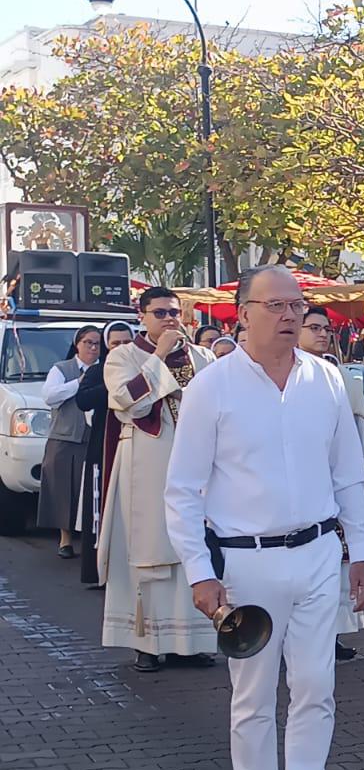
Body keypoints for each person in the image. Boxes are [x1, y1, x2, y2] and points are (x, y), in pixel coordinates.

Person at [165, 266, 364, 770]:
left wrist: (360, 553)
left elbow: (348, 475)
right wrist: (199, 571)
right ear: (243, 312)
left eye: (296, 304)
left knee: (316, 687)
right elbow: (182, 489)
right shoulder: (213, 387)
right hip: (246, 563)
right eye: (275, 305)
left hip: (316, 556)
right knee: (252, 695)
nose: (289, 315)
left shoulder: (327, 381)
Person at [100, 287, 217, 672]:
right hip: (147, 461)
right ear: (142, 316)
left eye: (175, 312)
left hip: (196, 463)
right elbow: (130, 402)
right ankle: (147, 642)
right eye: (161, 312)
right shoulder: (122, 356)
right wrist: (160, 354)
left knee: (194, 547)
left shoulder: (202, 356)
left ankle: (194, 640)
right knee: (149, 549)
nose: (170, 318)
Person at [301, 306, 364, 663]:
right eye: (313, 327)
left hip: (336, 486)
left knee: (339, 564)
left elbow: (355, 429)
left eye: (325, 328)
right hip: (304, 491)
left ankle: (331, 635)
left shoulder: (335, 373)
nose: (322, 334)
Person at [75, 322, 134, 587]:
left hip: (137, 447)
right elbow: (83, 400)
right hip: (104, 448)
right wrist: (113, 386)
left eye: (126, 343)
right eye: (115, 344)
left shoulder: (142, 369)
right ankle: (100, 570)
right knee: (103, 509)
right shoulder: (99, 371)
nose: (121, 348)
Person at [40, 324, 101, 558]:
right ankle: (65, 540)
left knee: (90, 491)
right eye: (88, 343)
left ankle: (91, 540)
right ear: (77, 345)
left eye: (97, 344)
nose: (93, 348)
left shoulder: (106, 369)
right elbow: (49, 396)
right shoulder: (62, 369)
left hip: (93, 437)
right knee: (63, 489)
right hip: (65, 438)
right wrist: (80, 382)